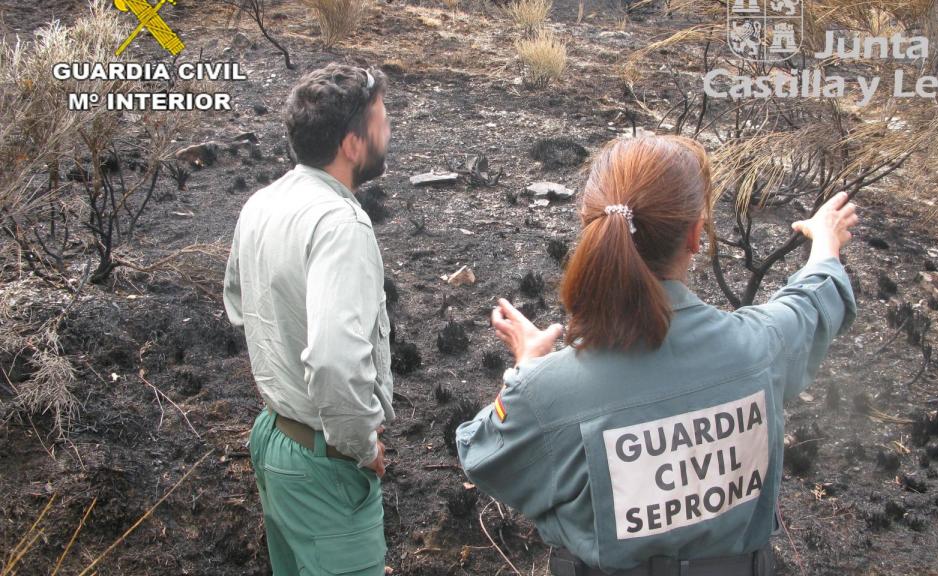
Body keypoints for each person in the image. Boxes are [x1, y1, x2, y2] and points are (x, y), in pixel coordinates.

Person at [456, 135, 857, 576]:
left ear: (588, 225)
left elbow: (480, 453)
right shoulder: (761, 347)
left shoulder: (548, 392)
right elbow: (812, 303)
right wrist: (825, 240)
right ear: (695, 235)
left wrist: (528, 366)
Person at [223, 63, 394, 576]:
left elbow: (237, 302)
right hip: (325, 466)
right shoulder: (341, 225)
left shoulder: (263, 202)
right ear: (351, 144)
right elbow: (335, 362)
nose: (390, 132)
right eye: (382, 122)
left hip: (275, 439)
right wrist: (361, 448)